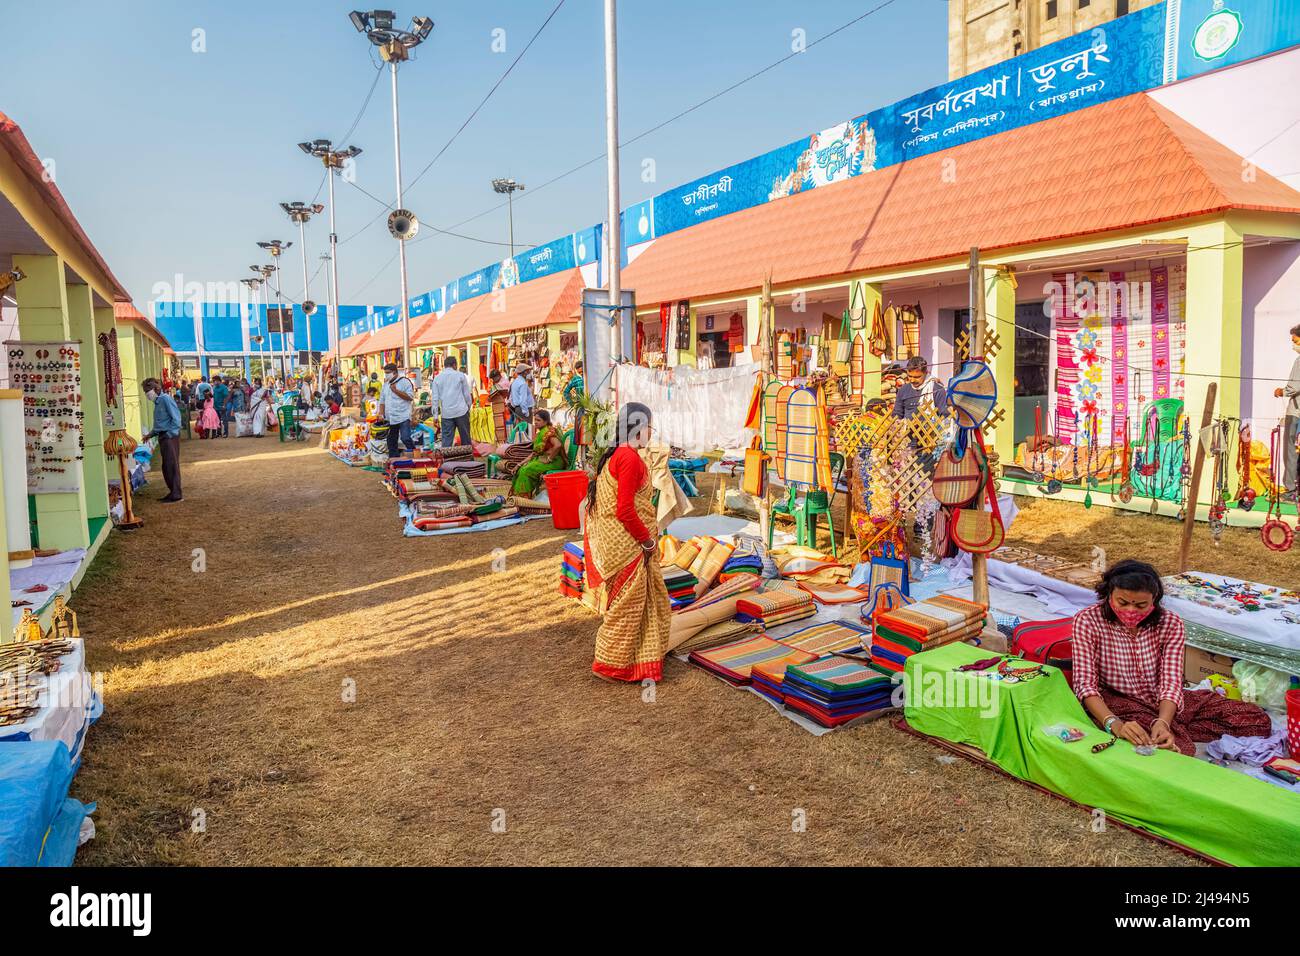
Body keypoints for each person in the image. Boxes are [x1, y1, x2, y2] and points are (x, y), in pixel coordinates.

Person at [1070, 560, 1271, 755]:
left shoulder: (1170, 623)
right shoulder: (1087, 621)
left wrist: (1163, 721)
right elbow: (1085, 684)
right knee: (1178, 747)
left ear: (1154, 600)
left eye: (1141, 605)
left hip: (1159, 698)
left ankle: (1169, 727)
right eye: (1122, 602)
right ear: (1108, 594)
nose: (1130, 611)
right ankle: (1165, 730)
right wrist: (1113, 723)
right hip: (1117, 700)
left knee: (1255, 719)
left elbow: (1171, 681)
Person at [587, 402, 670, 683]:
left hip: (618, 542)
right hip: (628, 544)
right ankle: (608, 664)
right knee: (626, 606)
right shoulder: (630, 459)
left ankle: (633, 661)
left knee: (634, 604)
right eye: (650, 427)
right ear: (639, 427)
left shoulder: (619, 454)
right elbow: (624, 509)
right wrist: (646, 540)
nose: (651, 433)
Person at [142, 378, 183, 502]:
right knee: (167, 465)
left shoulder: (165, 399)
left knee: (171, 465)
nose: (147, 394)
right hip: (163, 436)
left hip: (169, 437)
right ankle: (173, 492)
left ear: (156, 389)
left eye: (148, 391)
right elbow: (160, 424)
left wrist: (170, 434)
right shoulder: (158, 403)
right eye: (145, 391)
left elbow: (176, 418)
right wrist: (150, 435)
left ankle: (176, 494)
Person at [510, 410, 567, 496]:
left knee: (526, 470)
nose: (535, 422)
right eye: (535, 420)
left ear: (546, 421)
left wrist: (549, 459)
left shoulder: (548, 432)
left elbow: (558, 445)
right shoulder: (540, 433)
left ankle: (522, 497)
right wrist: (519, 464)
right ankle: (519, 497)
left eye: (538, 420)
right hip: (542, 459)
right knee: (521, 469)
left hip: (555, 461)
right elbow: (534, 454)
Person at [1274, 323, 1300, 494]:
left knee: (1290, 450)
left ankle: (1290, 489)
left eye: (1295, 341)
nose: (1293, 345)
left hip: (1296, 412)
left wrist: (1281, 391)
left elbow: (1294, 386)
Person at [431, 355, 473, 448]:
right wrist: (468, 407)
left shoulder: (437, 378)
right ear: (454, 365)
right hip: (461, 411)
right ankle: (468, 461)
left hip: (446, 413)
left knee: (446, 441)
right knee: (466, 439)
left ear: (445, 365)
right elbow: (467, 394)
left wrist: (435, 416)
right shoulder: (460, 375)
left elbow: (434, 399)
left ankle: (446, 461)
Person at [892, 356, 948, 420]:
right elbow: (897, 413)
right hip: (906, 428)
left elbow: (944, 414)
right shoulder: (903, 390)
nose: (912, 380)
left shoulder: (937, 390)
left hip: (930, 428)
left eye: (917, 377)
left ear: (926, 373)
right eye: (910, 376)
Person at [379, 361, 415, 458]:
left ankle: (415, 454)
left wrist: (396, 391)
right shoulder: (385, 385)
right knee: (391, 440)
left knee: (405, 438)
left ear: (395, 372)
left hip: (403, 416)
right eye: (385, 373)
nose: (386, 375)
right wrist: (381, 414)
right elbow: (382, 400)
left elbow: (410, 397)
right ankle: (394, 460)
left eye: (388, 373)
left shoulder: (405, 382)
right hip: (390, 417)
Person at [509, 364, 534, 432]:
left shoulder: (515, 382)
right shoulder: (523, 383)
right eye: (528, 371)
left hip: (517, 409)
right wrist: (526, 412)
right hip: (524, 409)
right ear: (524, 372)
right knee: (526, 431)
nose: (529, 373)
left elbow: (512, 397)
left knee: (518, 431)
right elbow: (523, 400)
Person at [488, 368, 510, 443]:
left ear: (497, 376)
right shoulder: (501, 381)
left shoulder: (502, 384)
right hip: (501, 406)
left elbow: (503, 395)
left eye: (493, 379)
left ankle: (504, 440)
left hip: (504, 407)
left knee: (504, 425)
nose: (493, 381)